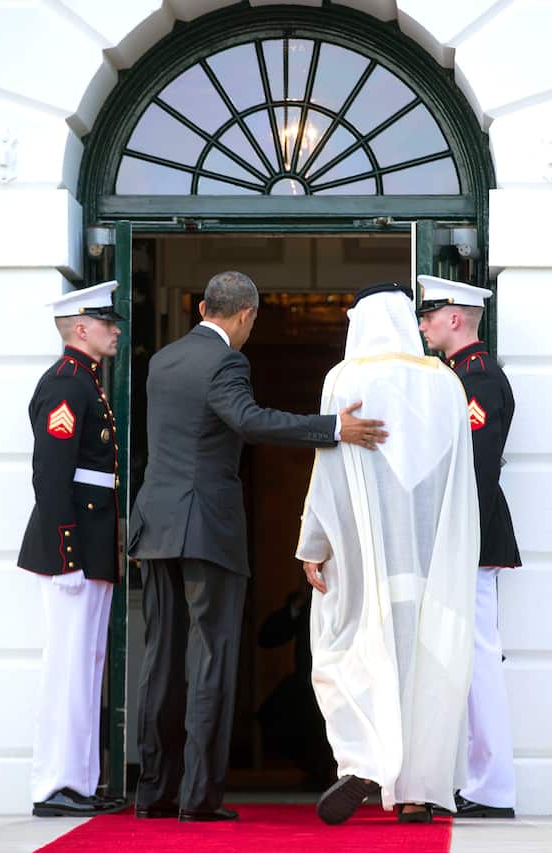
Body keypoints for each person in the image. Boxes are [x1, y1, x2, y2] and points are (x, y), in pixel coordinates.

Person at [127, 270, 388, 823]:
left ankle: (153, 793)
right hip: (205, 527)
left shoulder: (163, 360)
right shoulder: (227, 361)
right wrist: (333, 428)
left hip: (156, 523)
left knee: (160, 660)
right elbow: (247, 420)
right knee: (211, 658)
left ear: (202, 308)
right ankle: (199, 798)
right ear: (246, 316)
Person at [297, 282, 479, 825]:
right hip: (428, 554)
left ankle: (366, 760)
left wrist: (313, 544)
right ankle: (417, 792)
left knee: (346, 648)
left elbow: (328, 470)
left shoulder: (345, 378)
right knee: (424, 661)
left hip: (363, 553)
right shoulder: (446, 383)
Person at [17, 280, 128, 818]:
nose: (116, 331)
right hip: (74, 545)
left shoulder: (86, 382)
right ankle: (54, 784)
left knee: (86, 664)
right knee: (68, 664)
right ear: (81, 328)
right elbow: (52, 474)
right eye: (107, 323)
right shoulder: (66, 383)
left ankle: (79, 783)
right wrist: (66, 554)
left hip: (91, 540)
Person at [417, 274, 522, 820]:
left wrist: (457, 536)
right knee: (467, 657)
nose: (423, 324)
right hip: (467, 533)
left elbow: (477, 468)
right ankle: (478, 782)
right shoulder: (459, 374)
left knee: (479, 659)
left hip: (473, 533)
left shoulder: (475, 377)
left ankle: (492, 788)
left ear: (455, 317)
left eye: (429, 314)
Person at [255, 586, 335, 789]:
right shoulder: (306, 602)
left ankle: (332, 770)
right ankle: (316, 769)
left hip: (341, 682)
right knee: (272, 714)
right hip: (306, 683)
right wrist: (295, 607)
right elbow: (266, 637)